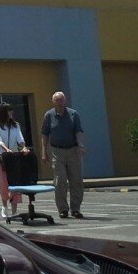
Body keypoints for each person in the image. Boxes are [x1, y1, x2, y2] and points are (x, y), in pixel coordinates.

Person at [41, 91, 86, 219]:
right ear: (53, 102)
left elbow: (78, 131)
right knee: (60, 180)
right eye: (57, 100)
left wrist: (80, 145)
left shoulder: (73, 114)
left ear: (65, 101)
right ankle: (63, 209)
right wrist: (44, 152)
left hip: (72, 150)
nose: (60, 102)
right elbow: (44, 134)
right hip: (57, 151)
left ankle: (75, 209)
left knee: (76, 180)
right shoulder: (49, 115)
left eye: (61, 100)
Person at [0, 103, 30, 219]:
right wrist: (6, 149)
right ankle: (4, 205)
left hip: (13, 156)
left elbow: (20, 139)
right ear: (3, 112)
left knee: (14, 182)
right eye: (9, 110)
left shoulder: (16, 125)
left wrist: (24, 147)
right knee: (2, 182)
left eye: (12, 110)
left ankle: (14, 211)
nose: (11, 112)